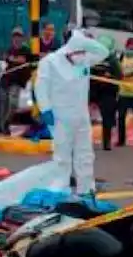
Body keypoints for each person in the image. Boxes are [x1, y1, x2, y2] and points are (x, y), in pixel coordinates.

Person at [35, 28, 110, 199]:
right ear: (69, 51)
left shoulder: (83, 60)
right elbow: (41, 87)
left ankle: (86, 189)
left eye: (84, 53)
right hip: (60, 117)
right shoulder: (50, 62)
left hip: (81, 117)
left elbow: (104, 51)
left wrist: (84, 41)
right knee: (62, 156)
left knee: (85, 154)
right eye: (79, 53)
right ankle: (61, 189)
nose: (83, 58)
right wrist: (45, 109)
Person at [89, 35, 122, 151]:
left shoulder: (113, 60)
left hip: (108, 92)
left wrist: (110, 76)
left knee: (107, 118)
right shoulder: (94, 58)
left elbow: (119, 76)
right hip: (93, 91)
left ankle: (106, 142)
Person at [2, 27, 34, 135]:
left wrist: (13, 59)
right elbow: (6, 59)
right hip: (8, 80)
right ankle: (5, 124)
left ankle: (7, 122)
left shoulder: (26, 50)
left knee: (13, 104)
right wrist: (12, 59)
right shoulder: (9, 49)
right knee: (8, 103)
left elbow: (24, 60)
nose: (16, 39)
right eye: (15, 36)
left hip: (20, 81)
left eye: (19, 36)